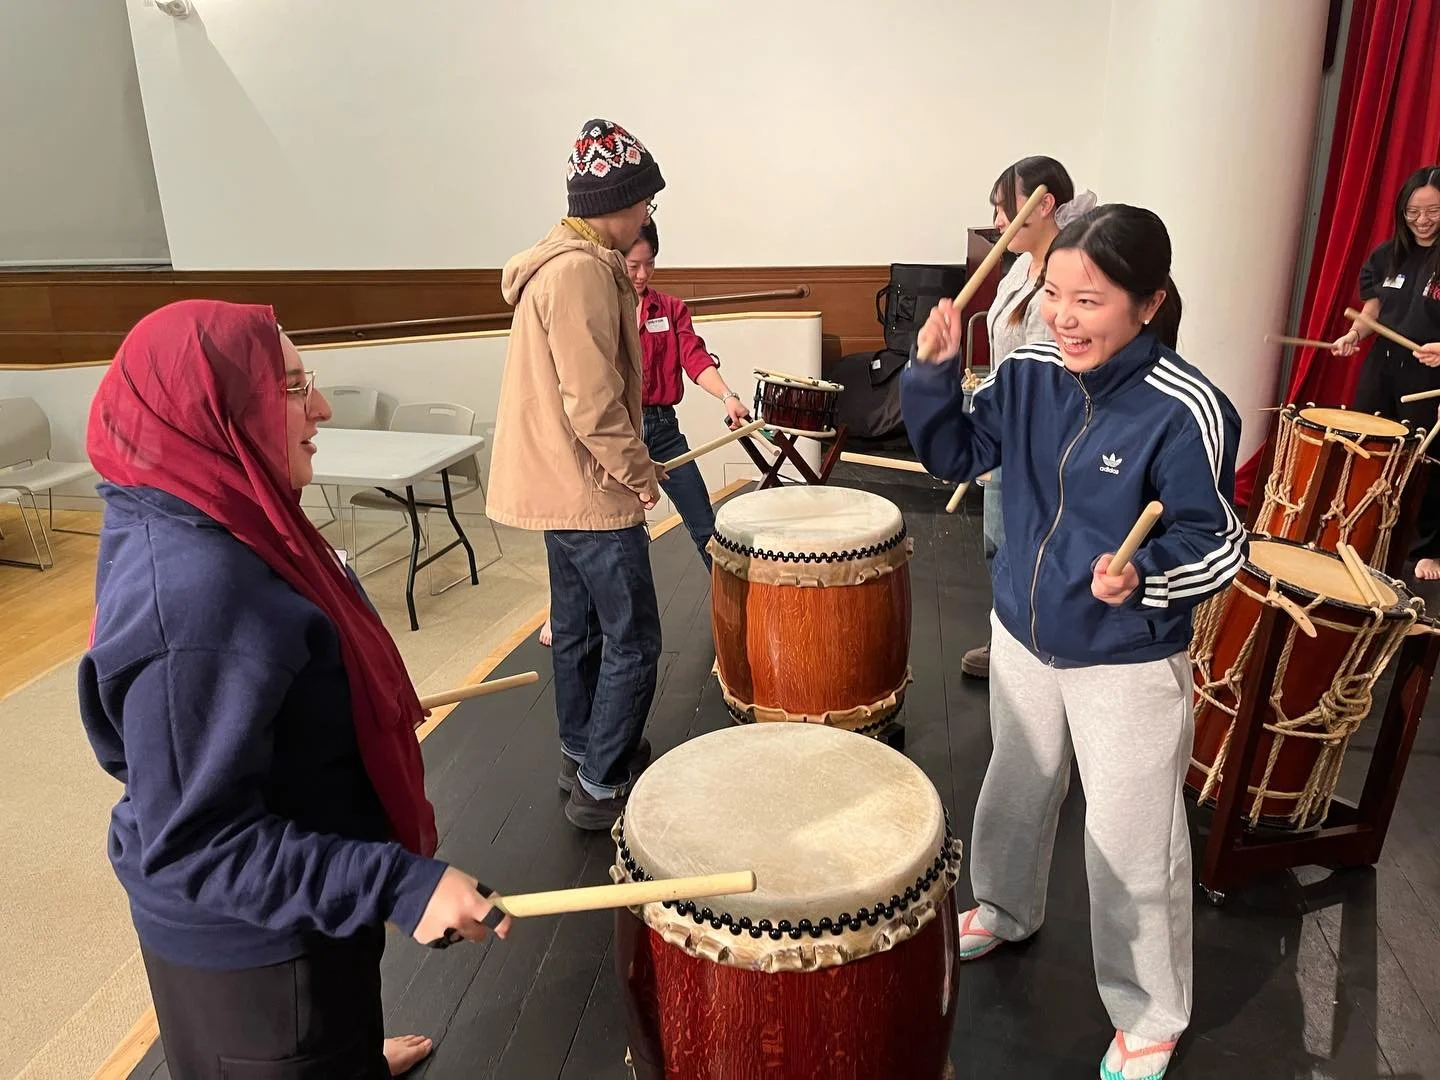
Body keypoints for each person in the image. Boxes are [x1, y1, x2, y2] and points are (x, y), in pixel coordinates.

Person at [78, 300, 510, 1079]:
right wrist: (399, 884)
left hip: (296, 916)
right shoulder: (195, 593)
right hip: (257, 967)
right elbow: (198, 841)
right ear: (212, 411)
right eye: (291, 387)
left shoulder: (205, 508)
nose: (322, 407)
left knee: (332, 1039)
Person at [902, 205, 1245, 1079]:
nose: (1062, 316)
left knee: (1134, 842)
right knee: (1015, 786)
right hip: (1023, 632)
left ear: (1148, 303)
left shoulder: (1187, 408)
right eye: (1053, 293)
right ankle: (1006, 907)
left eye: (1087, 300)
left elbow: (1217, 540)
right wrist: (933, 375)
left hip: (1126, 657)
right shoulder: (1028, 374)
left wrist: (1147, 576)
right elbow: (955, 456)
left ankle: (1152, 1011)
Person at [487, 119, 667, 830]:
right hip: (590, 491)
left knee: (579, 628)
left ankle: (586, 750)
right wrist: (639, 474)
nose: (649, 214)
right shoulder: (583, 274)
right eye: (646, 201)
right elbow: (592, 404)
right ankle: (599, 784)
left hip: (560, 490)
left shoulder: (557, 265)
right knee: (635, 638)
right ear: (617, 202)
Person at [538, 219, 752, 645]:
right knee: (592, 531)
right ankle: (562, 611)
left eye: (648, 265)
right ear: (617, 259)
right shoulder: (599, 305)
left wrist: (728, 396)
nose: (640, 276)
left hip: (663, 430)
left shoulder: (670, 310)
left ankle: (740, 617)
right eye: (633, 265)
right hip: (615, 434)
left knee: (704, 523)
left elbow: (694, 358)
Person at [960, 155, 1095, 680]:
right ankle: (1010, 638)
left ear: (1042, 205)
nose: (997, 222)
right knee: (1000, 542)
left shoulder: (1070, 272)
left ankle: (1038, 644)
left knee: (1035, 541)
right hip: (1004, 425)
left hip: (1046, 435)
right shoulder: (1019, 266)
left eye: (1003, 208)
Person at [1332, 164, 1440, 578]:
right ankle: (1365, 535)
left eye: (1432, 212)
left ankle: (1423, 551)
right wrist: (1355, 333)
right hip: (1383, 366)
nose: (1422, 222)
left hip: (1430, 376)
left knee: (1424, 461)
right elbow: (1373, 307)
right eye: (1413, 212)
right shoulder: (1387, 253)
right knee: (1369, 446)